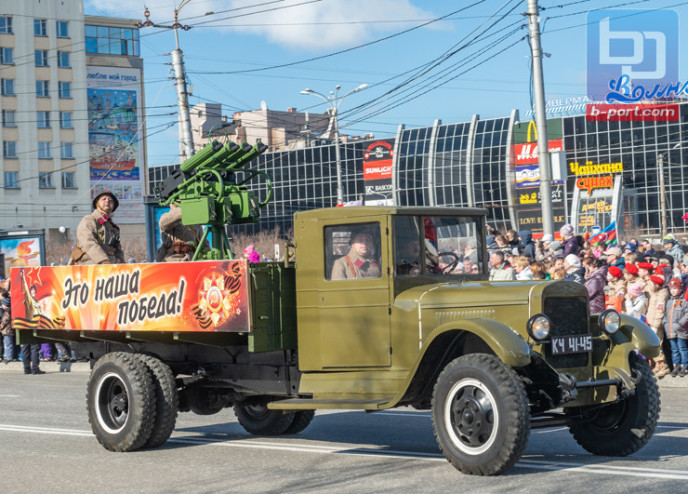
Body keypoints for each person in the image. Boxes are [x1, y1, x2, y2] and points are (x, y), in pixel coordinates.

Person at [70, 191, 125, 265]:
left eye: (110, 200)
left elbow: (117, 248)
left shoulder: (112, 227)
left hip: (111, 263)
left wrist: (120, 260)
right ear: (97, 203)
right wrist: (103, 260)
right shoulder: (89, 220)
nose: (107, 201)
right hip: (90, 262)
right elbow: (88, 243)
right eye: (104, 199)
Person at [646, 272, 670, 378]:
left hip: (657, 324)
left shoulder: (662, 295)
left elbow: (660, 311)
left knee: (657, 345)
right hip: (651, 321)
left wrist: (655, 325)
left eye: (651, 284)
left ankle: (663, 366)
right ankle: (657, 365)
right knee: (653, 344)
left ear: (656, 285)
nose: (649, 286)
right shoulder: (655, 293)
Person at [663, 278, 688, 377]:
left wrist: (680, 324)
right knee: (674, 349)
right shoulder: (669, 302)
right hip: (670, 330)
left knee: (682, 348)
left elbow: (687, 314)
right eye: (671, 288)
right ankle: (676, 366)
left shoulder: (684, 301)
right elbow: (666, 314)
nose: (673, 290)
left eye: (675, 288)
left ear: (680, 289)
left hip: (681, 330)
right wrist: (665, 323)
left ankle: (684, 365)